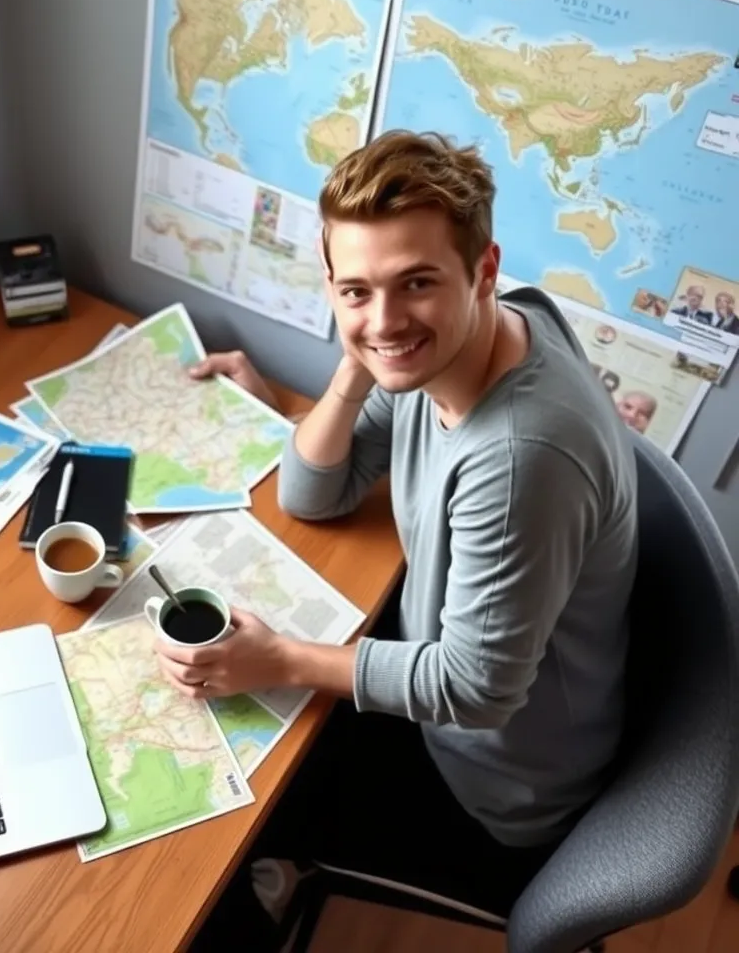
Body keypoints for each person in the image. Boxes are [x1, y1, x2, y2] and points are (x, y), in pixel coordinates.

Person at [157, 130, 639, 950]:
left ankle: (270, 892)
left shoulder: (519, 460)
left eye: (416, 283)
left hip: (495, 794)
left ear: (483, 272)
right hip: (461, 700)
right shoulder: (460, 343)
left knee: (225, 827)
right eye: (356, 290)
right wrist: (360, 358)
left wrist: (279, 660)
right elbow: (312, 494)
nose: (386, 318)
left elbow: (476, 689)